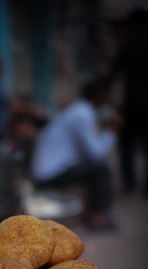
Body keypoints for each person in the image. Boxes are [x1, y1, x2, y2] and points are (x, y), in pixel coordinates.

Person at [32, 77, 122, 230]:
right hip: (49, 174)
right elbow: (96, 154)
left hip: (50, 170)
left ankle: (93, 213)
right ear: (100, 95)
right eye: (109, 94)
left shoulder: (80, 110)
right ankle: (97, 218)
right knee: (101, 169)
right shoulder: (83, 114)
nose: (111, 99)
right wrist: (111, 131)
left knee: (96, 168)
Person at [112, 8, 148, 196]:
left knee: (126, 147)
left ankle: (129, 183)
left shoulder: (128, 44)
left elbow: (114, 74)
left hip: (131, 107)